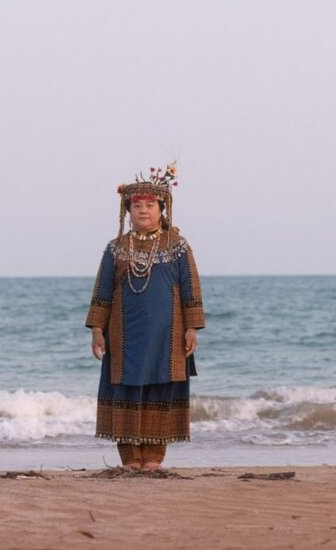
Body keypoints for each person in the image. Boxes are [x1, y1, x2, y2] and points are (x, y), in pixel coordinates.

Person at [85, 162, 205, 471]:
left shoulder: (178, 247)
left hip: (167, 337)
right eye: (136, 205)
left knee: (160, 391)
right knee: (126, 390)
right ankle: (130, 459)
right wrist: (97, 329)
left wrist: (192, 328)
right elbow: (102, 291)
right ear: (127, 211)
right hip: (124, 337)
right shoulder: (115, 249)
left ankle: (154, 458)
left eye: (149, 205)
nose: (143, 211)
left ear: (161, 209)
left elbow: (191, 288)